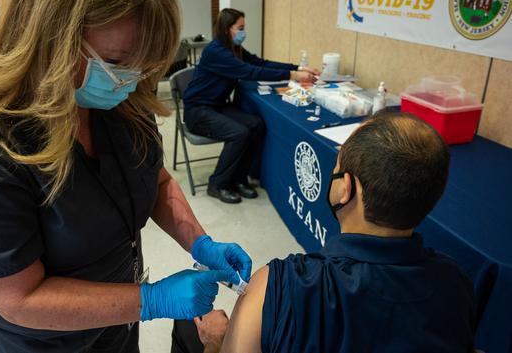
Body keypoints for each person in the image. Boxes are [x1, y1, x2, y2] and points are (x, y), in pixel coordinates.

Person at [0, 0, 252, 352]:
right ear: (49, 39)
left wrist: (200, 243)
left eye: (142, 67)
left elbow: (155, 179)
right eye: (116, 61)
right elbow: (19, 299)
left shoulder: (116, 102)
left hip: (119, 317)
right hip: (48, 340)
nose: (129, 81)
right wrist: (152, 300)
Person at [174, 111, 477, 353]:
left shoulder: (278, 286)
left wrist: (216, 342)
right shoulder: (456, 284)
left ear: (346, 188)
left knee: (189, 325)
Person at [182, 8, 321, 204]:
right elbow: (250, 71)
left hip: (217, 105)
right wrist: (293, 76)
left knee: (256, 125)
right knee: (239, 133)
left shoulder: (234, 49)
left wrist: (297, 68)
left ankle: (239, 179)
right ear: (227, 29)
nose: (243, 32)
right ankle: (218, 184)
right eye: (240, 28)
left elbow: (260, 62)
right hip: (198, 111)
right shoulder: (216, 51)